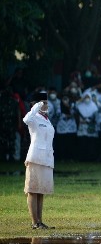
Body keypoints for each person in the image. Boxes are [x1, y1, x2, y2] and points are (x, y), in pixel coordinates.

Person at [24, 92, 55, 229]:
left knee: (41, 190)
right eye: (43, 102)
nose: (45, 105)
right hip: (35, 157)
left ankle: (40, 221)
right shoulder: (34, 117)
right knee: (33, 189)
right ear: (35, 103)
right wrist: (36, 106)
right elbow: (26, 119)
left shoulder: (46, 119)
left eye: (46, 102)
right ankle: (34, 222)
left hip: (47, 158)